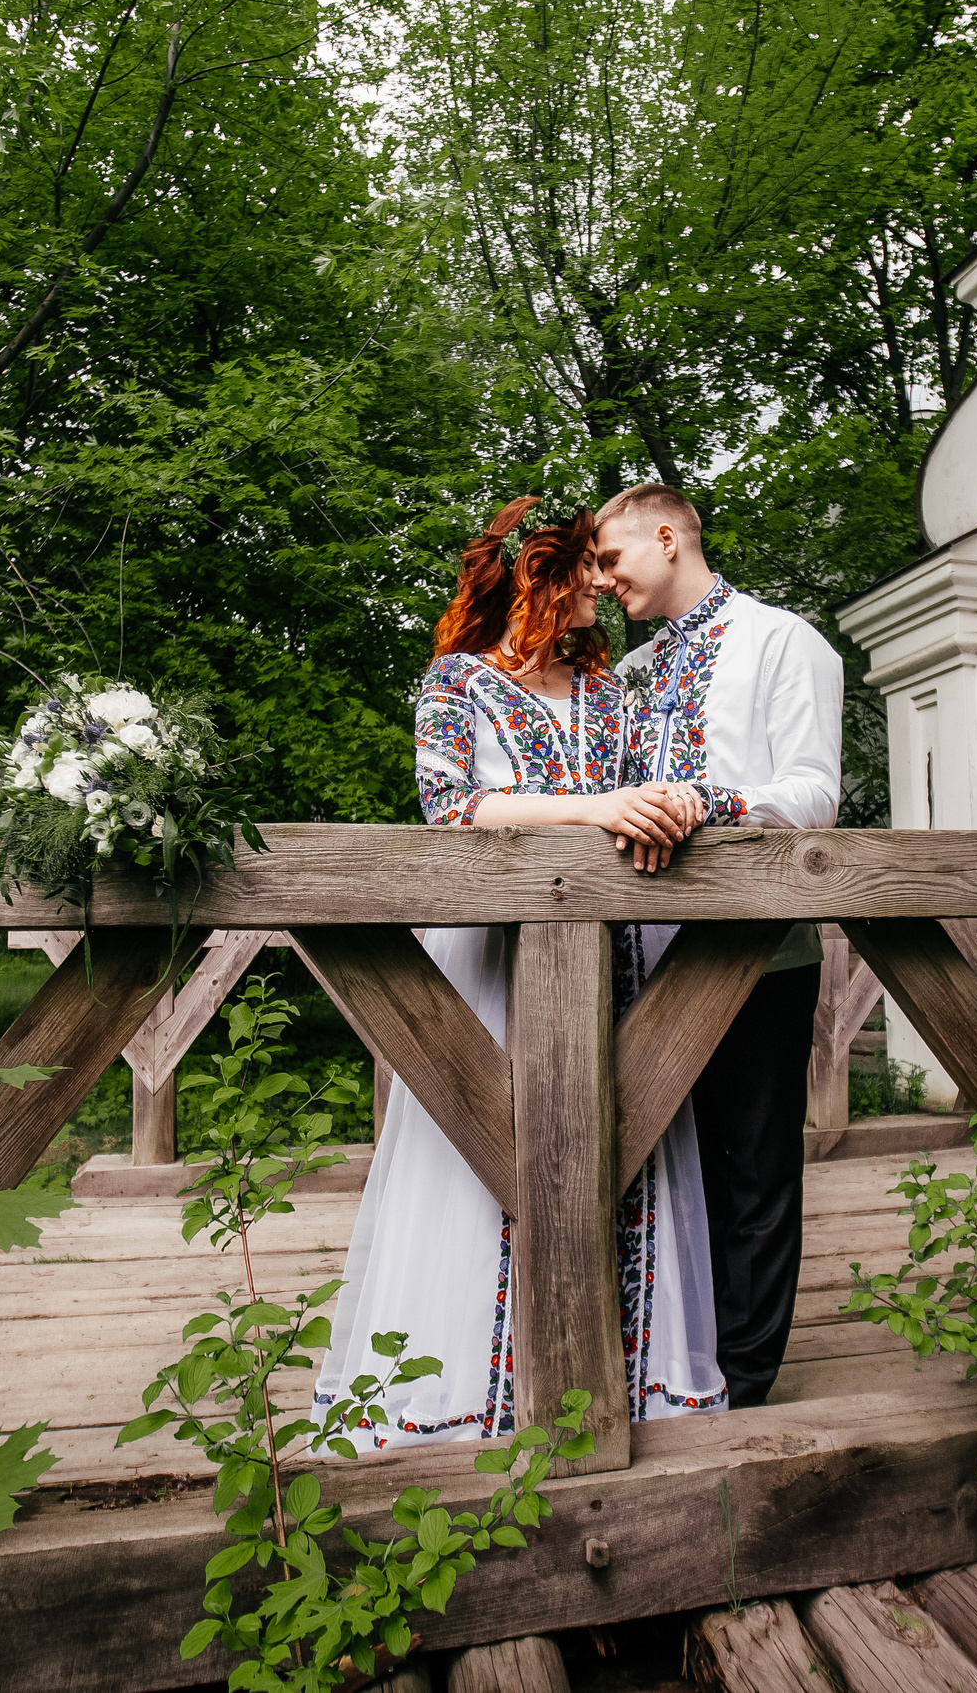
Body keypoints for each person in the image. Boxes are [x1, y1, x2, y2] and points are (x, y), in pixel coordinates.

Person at [310, 496, 732, 1446]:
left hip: (610, 956)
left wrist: (664, 800)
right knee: (490, 1151)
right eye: (580, 565)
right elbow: (453, 809)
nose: (597, 580)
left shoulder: (611, 694)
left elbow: (641, 788)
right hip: (495, 957)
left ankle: (613, 1385)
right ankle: (470, 1403)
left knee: (622, 1137)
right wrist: (598, 810)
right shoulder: (457, 685)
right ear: (536, 580)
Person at [591, 482, 842, 1409]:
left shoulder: (784, 641)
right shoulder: (633, 670)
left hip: (757, 951)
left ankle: (745, 1381)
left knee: (754, 1167)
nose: (604, 579)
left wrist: (709, 804)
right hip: (639, 961)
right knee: (660, 1170)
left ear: (667, 536)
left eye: (612, 559)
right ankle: (674, 1364)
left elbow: (815, 790)